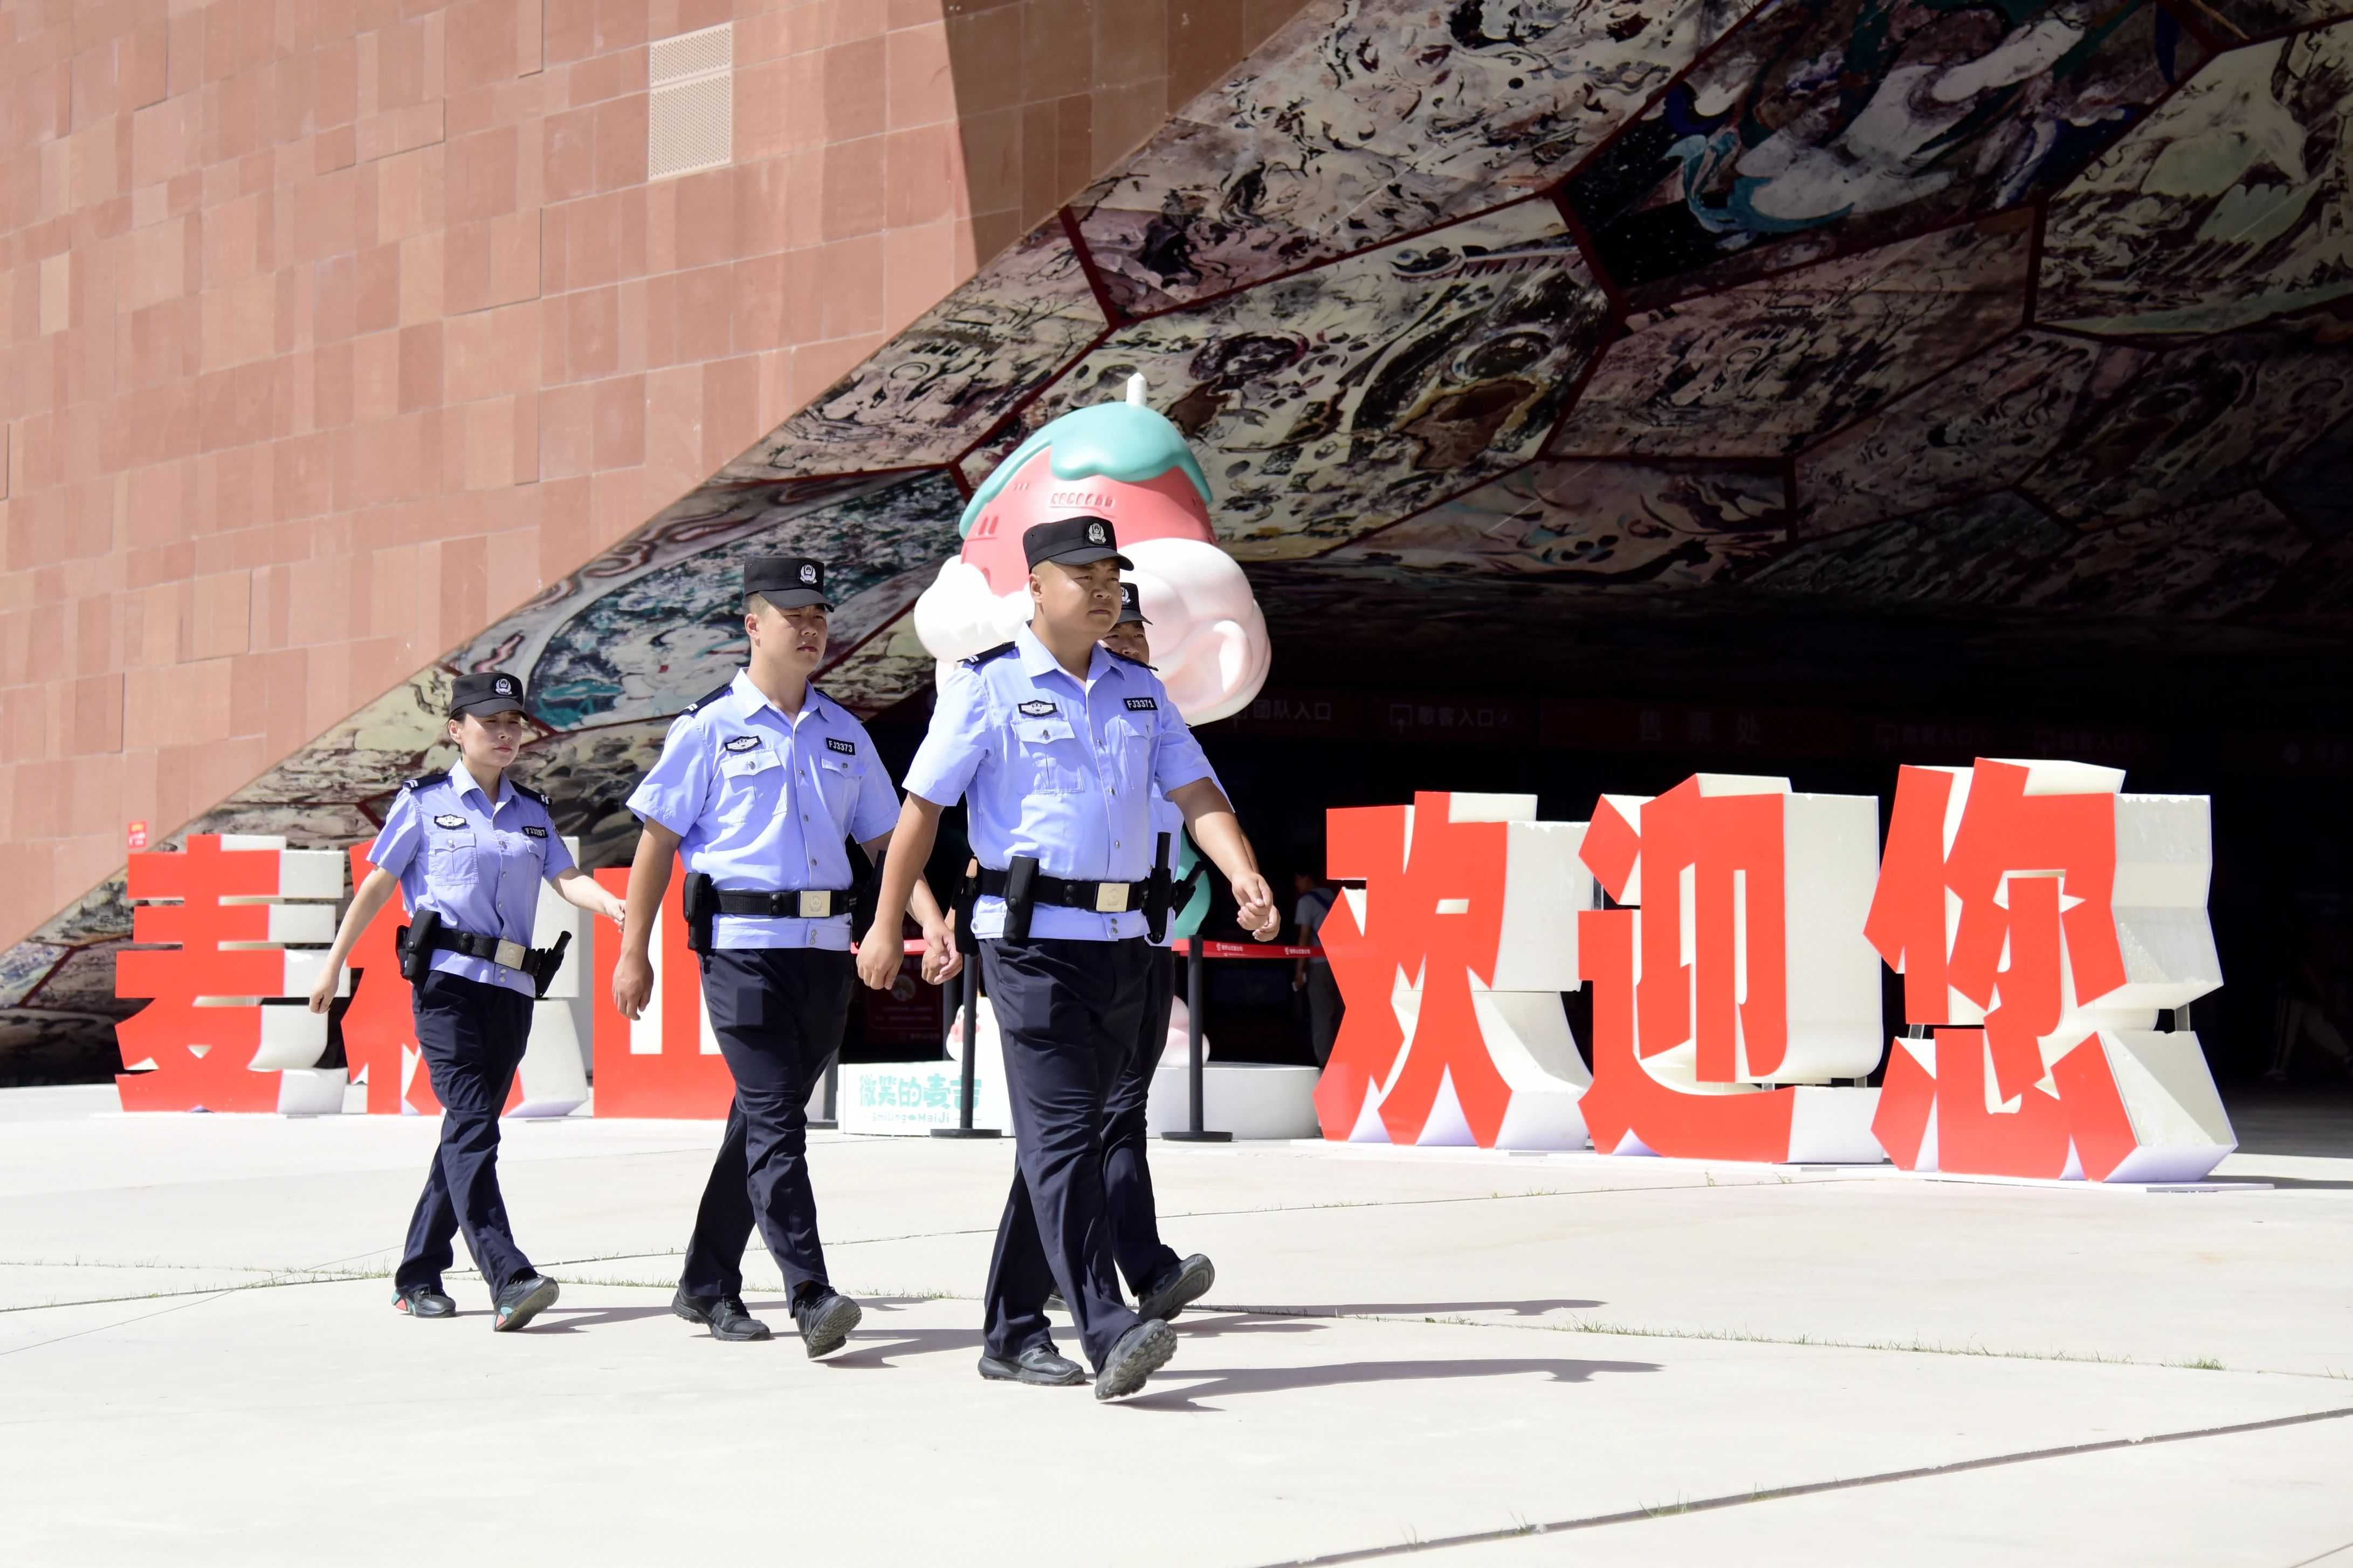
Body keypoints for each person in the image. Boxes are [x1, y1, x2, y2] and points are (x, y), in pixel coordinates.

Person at [861, 516, 1281, 1402]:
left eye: (1111, 577)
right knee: (1062, 1137)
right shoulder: (986, 686)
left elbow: (1195, 788)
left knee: (1072, 1138)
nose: (1103, 591)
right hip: (1030, 945)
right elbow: (920, 810)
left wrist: (1242, 869)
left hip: (1125, 944)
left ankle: (1012, 1331)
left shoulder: (1138, 688)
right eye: (1083, 574)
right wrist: (885, 920)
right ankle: (1105, 1323)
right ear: (1037, 586)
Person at [613, 557, 960, 1353]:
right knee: (777, 1123)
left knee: (761, 1126)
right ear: (752, 624)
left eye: (820, 615)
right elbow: (657, 841)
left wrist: (929, 919)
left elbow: (884, 840)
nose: (810, 629)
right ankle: (810, 1290)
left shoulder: (845, 732)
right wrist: (634, 952)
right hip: (741, 952)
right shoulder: (707, 727)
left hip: (823, 956)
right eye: (792, 614)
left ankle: (706, 1284)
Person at [308, 671, 627, 1331]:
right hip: (447, 986)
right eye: (490, 722)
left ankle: (417, 1274)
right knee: (475, 1125)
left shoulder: (533, 810)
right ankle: (508, 1275)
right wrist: (333, 962)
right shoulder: (423, 803)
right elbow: (376, 883)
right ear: (456, 731)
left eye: (514, 722)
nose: (506, 733)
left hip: (512, 990)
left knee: (467, 1128)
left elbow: (566, 879)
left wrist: (614, 905)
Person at [1093, 584, 1216, 1322]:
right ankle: (1140, 1267)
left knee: (1119, 1110)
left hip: (1149, 937)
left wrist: (1242, 875)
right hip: (1078, 944)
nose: (1132, 642)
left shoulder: (1160, 717)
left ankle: (1062, 1262)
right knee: (1093, 1115)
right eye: (1117, 633)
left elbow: (1204, 804)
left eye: (1138, 632)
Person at [1293, 871, 1344, 1067]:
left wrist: (1299, 971)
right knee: (1341, 1011)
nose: (1297, 885)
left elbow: (1305, 937)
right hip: (1342, 961)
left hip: (1320, 963)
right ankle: (1343, 1056)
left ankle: (1325, 1061)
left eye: (1298, 879)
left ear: (1306, 877)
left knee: (1322, 1012)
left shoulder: (1306, 902)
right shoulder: (1333, 896)